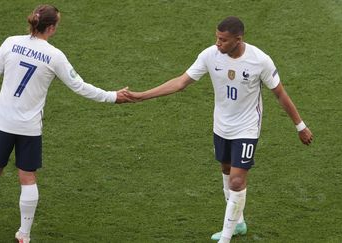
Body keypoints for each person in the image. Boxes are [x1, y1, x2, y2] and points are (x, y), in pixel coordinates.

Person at [125, 16, 313, 242]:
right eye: (216, 38)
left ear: (238, 39)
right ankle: (239, 223)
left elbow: (280, 94)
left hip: (247, 128)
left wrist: (300, 126)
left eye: (223, 40)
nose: (218, 43)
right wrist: (141, 96)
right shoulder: (209, 55)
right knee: (226, 170)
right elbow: (180, 83)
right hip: (221, 126)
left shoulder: (260, 61)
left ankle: (226, 237)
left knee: (236, 180)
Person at [0, 4, 131, 243]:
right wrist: (113, 96)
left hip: (2, 122)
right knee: (28, 177)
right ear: (52, 28)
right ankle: (24, 235)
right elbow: (80, 86)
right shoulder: (55, 56)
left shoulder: (10, 42)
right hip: (29, 128)